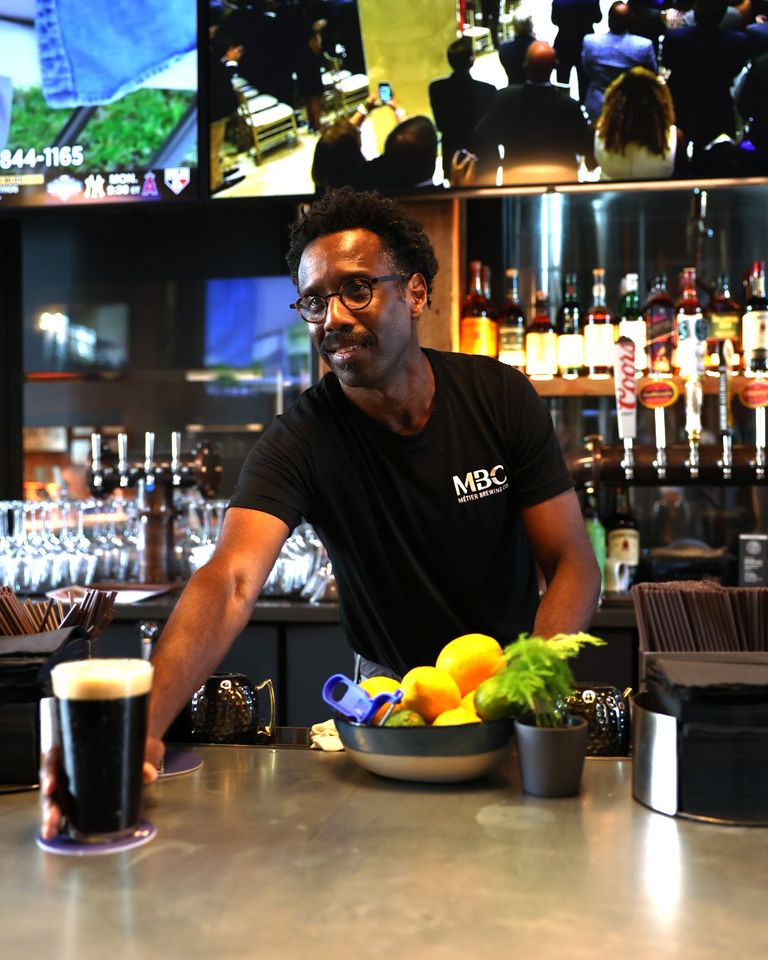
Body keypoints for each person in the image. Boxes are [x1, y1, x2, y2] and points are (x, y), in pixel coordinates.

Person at [473, 40, 595, 186]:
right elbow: (587, 150)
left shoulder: (504, 98)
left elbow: (482, 137)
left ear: (525, 66)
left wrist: (495, 165)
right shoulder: (570, 106)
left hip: (516, 181)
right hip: (561, 182)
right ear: (555, 66)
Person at [663, 0, 748, 151]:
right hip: (716, 103)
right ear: (722, 15)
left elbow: (667, 63)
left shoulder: (675, 37)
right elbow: (736, 70)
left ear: (695, 14)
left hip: (681, 100)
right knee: (710, 158)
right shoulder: (737, 41)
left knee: (676, 149)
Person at [594, 66, 682, 180]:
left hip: (608, 197)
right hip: (656, 198)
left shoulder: (600, 133)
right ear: (660, 104)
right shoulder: (675, 138)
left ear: (614, 102)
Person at [428, 36, 496, 177]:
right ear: (472, 59)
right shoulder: (488, 90)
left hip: (451, 154)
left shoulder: (435, 88)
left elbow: (441, 125)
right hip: (480, 155)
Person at [581, 2, 658, 122]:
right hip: (630, 106)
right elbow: (652, 74)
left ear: (608, 19)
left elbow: (587, 69)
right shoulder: (644, 46)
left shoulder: (590, 41)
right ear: (630, 20)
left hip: (597, 105)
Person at [551, 0, 603, 99]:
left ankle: (562, 110)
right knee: (584, 82)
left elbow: (554, 20)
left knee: (562, 82)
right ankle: (582, 111)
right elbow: (598, 18)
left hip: (564, 43)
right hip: (584, 43)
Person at [498, 14, 536, 85]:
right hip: (536, 92)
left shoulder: (503, 48)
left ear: (514, 27)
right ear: (531, 26)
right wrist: (534, 39)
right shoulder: (541, 49)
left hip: (512, 90)